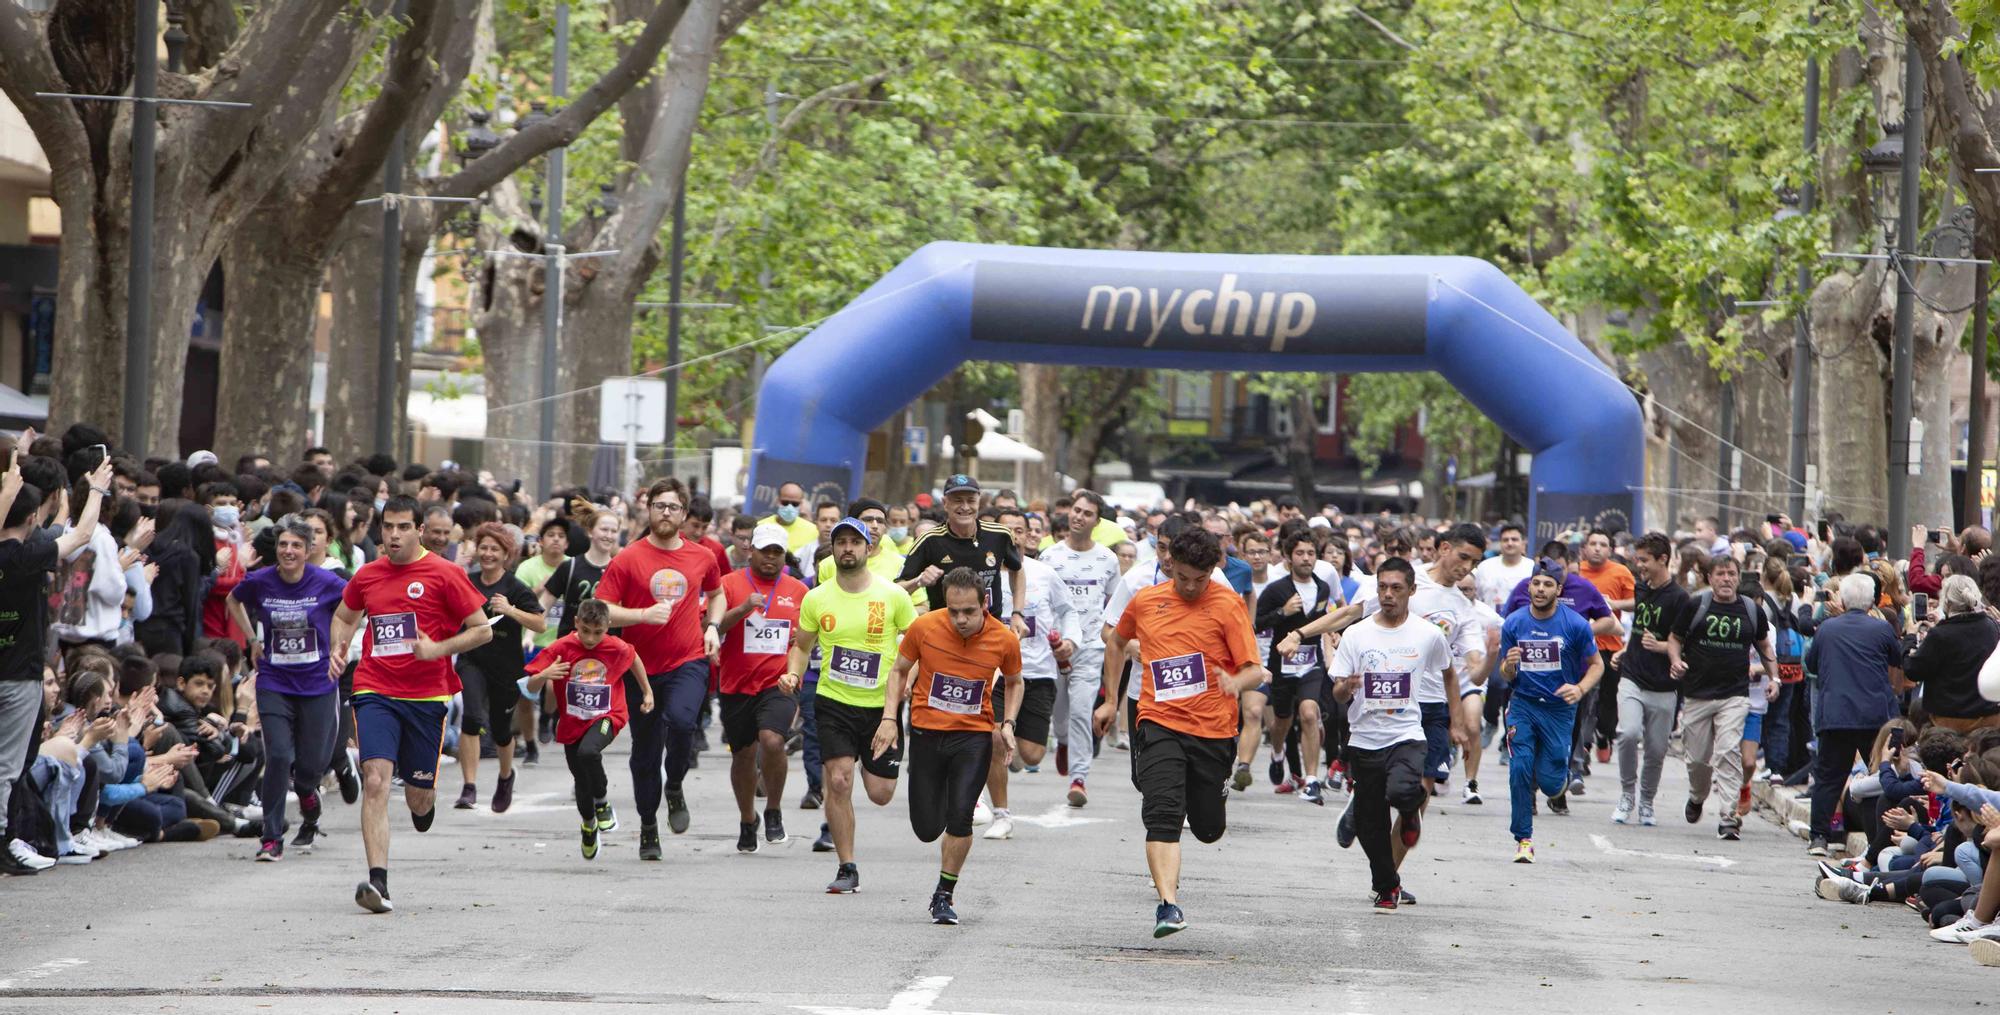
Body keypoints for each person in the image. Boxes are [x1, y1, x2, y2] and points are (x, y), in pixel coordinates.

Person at [1092, 527, 1263, 938]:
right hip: (1158, 720)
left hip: (1213, 730)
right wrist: (1113, 701)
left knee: (1207, 829)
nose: (1189, 587)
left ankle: (1211, 794)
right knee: (1162, 814)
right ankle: (1168, 905)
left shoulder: (1228, 605)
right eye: (1182, 577)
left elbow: (1255, 669)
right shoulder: (1148, 600)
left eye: (1199, 580)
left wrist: (1236, 683)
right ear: (1170, 565)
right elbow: (1116, 642)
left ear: (1213, 570)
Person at [331, 495, 492, 913]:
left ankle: (425, 802)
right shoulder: (367, 574)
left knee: (418, 796)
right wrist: (338, 645)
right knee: (376, 780)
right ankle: (378, 883)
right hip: (374, 688)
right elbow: (345, 616)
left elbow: (481, 632)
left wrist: (438, 648)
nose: (394, 535)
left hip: (426, 696)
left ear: (419, 531)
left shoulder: (446, 573)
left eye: (403, 527)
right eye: (388, 527)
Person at [1280, 523, 1487, 794]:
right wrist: (1298, 633)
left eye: (1474, 563)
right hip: (1384, 702)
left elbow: (1474, 668)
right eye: (1464, 557)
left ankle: (1405, 827)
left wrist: (1494, 658)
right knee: (1379, 784)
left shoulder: (1463, 607)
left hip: (1432, 703)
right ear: (1445, 548)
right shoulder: (1401, 579)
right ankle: (1362, 803)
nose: (1467, 567)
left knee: (1421, 788)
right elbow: (1348, 613)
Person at [873, 567, 1024, 924]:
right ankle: (943, 797)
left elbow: (1016, 683)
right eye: (954, 611)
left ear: (985, 603)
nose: (960, 619)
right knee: (926, 828)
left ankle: (944, 894)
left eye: (969, 611)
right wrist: (889, 718)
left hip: (972, 737)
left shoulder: (1004, 639)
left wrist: (1008, 724)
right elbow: (898, 671)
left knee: (960, 817)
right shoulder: (924, 627)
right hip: (927, 734)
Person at [592, 478, 724, 859]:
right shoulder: (628, 558)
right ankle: (648, 824)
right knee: (645, 753)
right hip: (639, 669)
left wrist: (713, 626)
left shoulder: (702, 556)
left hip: (688, 660)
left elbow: (716, 594)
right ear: (647, 510)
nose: (666, 513)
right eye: (659, 506)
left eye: (673, 507)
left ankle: (676, 785)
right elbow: (602, 609)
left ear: (684, 514)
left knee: (683, 723)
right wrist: (642, 615)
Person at [788, 517, 918, 893]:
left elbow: (914, 643)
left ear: (867, 548)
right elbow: (801, 645)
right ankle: (847, 867)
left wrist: (909, 680)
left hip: (883, 706)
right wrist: (794, 676)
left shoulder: (892, 595)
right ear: (833, 549)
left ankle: (864, 760)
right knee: (838, 780)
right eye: (840, 541)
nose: (847, 548)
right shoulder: (817, 597)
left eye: (854, 542)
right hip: (834, 701)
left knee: (880, 794)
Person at [1327, 557, 1454, 912]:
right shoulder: (1357, 633)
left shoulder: (1428, 634)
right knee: (1370, 827)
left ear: (1412, 591)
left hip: (1407, 734)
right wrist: (1346, 689)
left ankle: (1411, 811)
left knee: (1401, 790)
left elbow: (1448, 673)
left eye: (1396, 588)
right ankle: (1387, 886)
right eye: (1382, 587)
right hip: (1364, 739)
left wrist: (1454, 719)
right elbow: (1337, 691)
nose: (1388, 595)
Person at [1, 454, 106, 876]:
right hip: (19, 674)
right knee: (8, 766)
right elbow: (81, 534)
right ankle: (5, 840)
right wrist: (95, 489)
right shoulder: (30, 555)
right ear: (32, 517)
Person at [227, 517, 346, 861]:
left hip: (317, 683)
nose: (289, 551)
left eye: (296, 545)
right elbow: (233, 601)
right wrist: (252, 639)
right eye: (283, 545)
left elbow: (352, 610)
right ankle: (271, 837)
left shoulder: (327, 582)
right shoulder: (261, 580)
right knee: (278, 756)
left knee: (308, 770)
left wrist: (339, 646)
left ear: (309, 550)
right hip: (275, 680)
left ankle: (309, 800)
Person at [523, 598, 652, 859]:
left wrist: (647, 691)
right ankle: (589, 825)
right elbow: (530, 687)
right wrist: (544, 675)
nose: (591, 639)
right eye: (585, 631)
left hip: (608, 715)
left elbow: (634, 656)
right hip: (573, 721)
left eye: (598, 632)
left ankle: (602, 802)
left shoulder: (614, 647)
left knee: (589, 753)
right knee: (581, 781)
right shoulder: (562, 647)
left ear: (609, 627)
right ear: (576, 623)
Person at [977, 506, 1075, 838]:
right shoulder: (983, 574)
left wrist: (1070, 642)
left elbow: (1067, 610)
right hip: (996, 675)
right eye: (1007, 530)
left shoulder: (1043, 573)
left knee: (1030, 753)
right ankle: (1001, 814)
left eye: (1020, 530)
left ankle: (1011, 756)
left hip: (1038, 672)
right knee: (993, 738)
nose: (1015, 536)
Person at [1497, 559, 1603, 863]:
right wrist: (1509, 665)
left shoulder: (1575, 625)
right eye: (1536, 583)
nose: (1540, 589)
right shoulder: (1514, 623)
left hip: (1559, 711)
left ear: (1559, 589)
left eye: (1547, 584)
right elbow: (1506, 674)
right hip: (1523, 705)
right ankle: (1524, 839)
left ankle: (1558, 783)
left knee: (1551, 782)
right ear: (1529, 586)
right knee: (1519, 767)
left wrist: (1580, 689)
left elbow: (1598, 666)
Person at [1666, 554, 1776, 841]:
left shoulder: (1751, 610)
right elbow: (1675, 639)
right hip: (1698, 694)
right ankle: (1697, 795)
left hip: (1734, 695)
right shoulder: (1696, 605)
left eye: (1731, 573)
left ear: (1738, 578)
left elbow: (1764, 645)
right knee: (1698, 760)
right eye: (1720, 574)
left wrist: (1773, 678)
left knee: (1728, 753)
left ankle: (1728, 816)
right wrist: (1675, 661)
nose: (1726, 579)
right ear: (1710, 578)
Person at [715, 524, 808, 852]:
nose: (770, 558)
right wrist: (742, 608)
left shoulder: (798, 591)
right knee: (743, 755)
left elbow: (804, 641)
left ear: (784, 556)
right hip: (736, 684)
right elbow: (712, 627)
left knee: (772, 740)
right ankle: (746, 818)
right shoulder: (728, 584)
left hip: (778, 683)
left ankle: (773, 810)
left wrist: (795, 671)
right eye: (764, 551)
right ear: (750, 550)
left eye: (777, 553)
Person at [1803, 572, 1906, 856]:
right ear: (1872, 599)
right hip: (1874, 715)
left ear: (1844, 599)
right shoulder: (1881, 630)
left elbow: (1811, 663)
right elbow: (1897, 659)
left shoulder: (1826, 629)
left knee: (1828, 777)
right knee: (1878, 774)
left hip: (1835, 715)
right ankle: (1878, 838)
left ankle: (1819, 837)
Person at [453, 523, 545, 813]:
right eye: (484, 548)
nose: (488, 554)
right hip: (472, 660)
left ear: (507, 554)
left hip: (506, 666)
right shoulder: (467, 581)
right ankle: (469, 787)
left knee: (502, 731)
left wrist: (511, 610)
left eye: (495, 549)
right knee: (471, 717)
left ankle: (506, 777)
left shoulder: (515, 587)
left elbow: (540, 623)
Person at [1041, 489, 1121, 807]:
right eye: (1076, 510)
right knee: (1059, 713)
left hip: (1089, 648)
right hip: (1056, 647)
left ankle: (1079, 779)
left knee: (1080, 711)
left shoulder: (1108, 560)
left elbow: (1115, 606)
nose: (1078, 516)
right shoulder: (1050, 556)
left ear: (1096, 521)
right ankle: (1062, 742)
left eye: (1087, 513)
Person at [1250, 531, 1334, 804]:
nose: (1306, 558)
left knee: (1309, 713)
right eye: (1300, 553)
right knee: (1281, 721)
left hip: (1312, 663)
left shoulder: (1323, 588)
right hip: (1282, 665)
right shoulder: (1277, 589)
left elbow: (1324, 620)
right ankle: (1277, 754)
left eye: (1311, 553)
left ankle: (1311, 780)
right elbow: (1257, 624)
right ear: (1288, 557)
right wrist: (1282, 613)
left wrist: (1333, 632)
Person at [1613, 532, 1688, 826]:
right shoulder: (1641, 588)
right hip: (1632, 674)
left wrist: (1661, 648)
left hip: (1664, 685)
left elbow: (1682, 641)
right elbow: (1640, 620)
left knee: (1657, 749)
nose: (1639, 565)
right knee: (1628, 733)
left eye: (1644, 560)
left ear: (1662, 560)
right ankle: (1626, 795)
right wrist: (1624, 649)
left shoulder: (1681, 599)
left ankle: (1646, 800)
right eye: (1637, 559)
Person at [898, 474, 1027, 631]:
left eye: (971, 500)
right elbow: (898, 590)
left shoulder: (1000, 535)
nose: (965, 507)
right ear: (945, 503)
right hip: (943, 631)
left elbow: (1017, 569)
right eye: (958, 500)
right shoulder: (929, 540)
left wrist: (1017, 613)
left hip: (989, 630)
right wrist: (919, 581)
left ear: (979, 502)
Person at [1905, 574, 2000, 734]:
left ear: (1947, 602)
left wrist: (1909, 639)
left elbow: (1913, 670)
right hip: (1989, 716)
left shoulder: (1940, 635)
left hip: (1949, 719)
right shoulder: (1991, 627)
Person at [1576, 529, 1634, 778]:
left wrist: (1615, 604)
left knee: (1609, 702)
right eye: (1593, 544)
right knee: (1587, 700)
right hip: (1583, 646)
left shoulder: (1620, 572)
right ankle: (1584, 748)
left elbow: (1637, 602)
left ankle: (1604, 735)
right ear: (1584, 549)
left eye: (1603, 544)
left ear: (1610, 550)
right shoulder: (1576, 572)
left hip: (1611, 646)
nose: (1597, 548)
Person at [1472, 523, 1532, 610]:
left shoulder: (1531, 567)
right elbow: (1476, 597)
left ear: (1523, 542)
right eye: (1505, 540)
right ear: (1500, 542)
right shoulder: (1485, 567)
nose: (1510, 543)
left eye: (1514, 539)